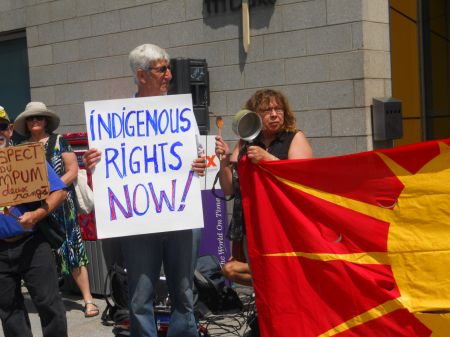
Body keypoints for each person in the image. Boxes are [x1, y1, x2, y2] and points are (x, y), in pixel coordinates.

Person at [83, 43, 206, 337]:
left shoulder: (180, 114)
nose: (168, 75)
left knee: (184, 295)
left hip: (180, 218)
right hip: (138, 224)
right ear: (141, 75)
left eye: (168, 68)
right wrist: (92, 163)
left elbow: (198, 157)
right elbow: (107, 168)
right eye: (162, 69)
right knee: (140, 299)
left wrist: (205, 162)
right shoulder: (115, 120)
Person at [214, 89, 313, 285]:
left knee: (281, 269)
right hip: (252, 223)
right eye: (267, 110)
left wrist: (269, 159)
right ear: (254, 115)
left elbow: (304, 181)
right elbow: (229, 190)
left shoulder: (294, 138)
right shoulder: (246, 141)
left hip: (283, 223)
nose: (275, 114)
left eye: (279, 109)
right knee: (235, 269)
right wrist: (224, 160)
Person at [14, 102, 99, 318]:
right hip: (37, 209)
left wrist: (51, 189)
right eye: (31, 118)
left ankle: (88, 301)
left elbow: (72, 170)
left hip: (62, 206)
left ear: (46, 121)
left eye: (39, 118)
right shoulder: (21, 146)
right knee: (43, 253)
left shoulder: (60, 141)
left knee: (72, 249)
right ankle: (50, 301)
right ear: (26, 123)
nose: (35, 121)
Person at [0, 106, 69, 337]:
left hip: (32, 243)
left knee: (50, 306)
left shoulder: (28, 156)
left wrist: (37, 215)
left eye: (1, 127)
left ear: (9, 130)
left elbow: (59, 192)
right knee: (9, 312)